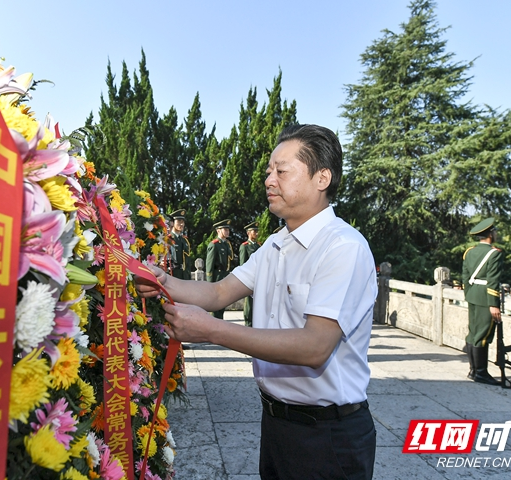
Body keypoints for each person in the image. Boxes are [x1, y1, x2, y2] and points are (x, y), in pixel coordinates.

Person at [136, 124, 377, 480]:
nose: (269, 180)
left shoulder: (343, 247)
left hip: (328, 437)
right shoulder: (277, 244)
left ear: (322, 177)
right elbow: (219, 292)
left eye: (282, 171)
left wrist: (212, 330)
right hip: (277, 424)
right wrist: (165, 281)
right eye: (268, 171)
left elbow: (314, 346)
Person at [461, 218, 503, 386]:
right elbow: (493, 280)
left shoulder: (469, 252)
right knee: (483, 335)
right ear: (490, 234)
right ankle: (481, 372)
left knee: (473, 333)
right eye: (495, 231)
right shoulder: (494, 253)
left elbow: (465, 276)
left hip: (473, 294)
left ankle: (473, 370)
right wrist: (494, 304)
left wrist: (468, 294)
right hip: (486, 297)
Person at [205, 218, 234, 319]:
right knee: (216, 303)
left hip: (224, 276)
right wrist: (210, 282)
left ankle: (220, 320)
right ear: (218, 231)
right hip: (217, 276)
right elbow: (209, 265)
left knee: (223, 302)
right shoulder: (214, 245)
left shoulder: (226, 244)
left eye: (228, 230)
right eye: (225, 229)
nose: (227, 231)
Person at [239, 221, 260, 327]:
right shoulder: (245, 246)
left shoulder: (258, 245)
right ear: (248, 233)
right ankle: (248, 323)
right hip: (250, 278)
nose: (256, 233)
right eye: (254, 231)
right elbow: (243, 264)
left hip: (258, 277)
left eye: (257, 231)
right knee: (249, 302)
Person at [168, 209, 191, 280]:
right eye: (179, 221)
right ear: (172, 222)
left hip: (184, 275)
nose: (182, 224)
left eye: (183, 222)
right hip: (173, 275)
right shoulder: (168, 239)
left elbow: (187, 261)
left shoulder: (185, 240)